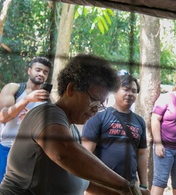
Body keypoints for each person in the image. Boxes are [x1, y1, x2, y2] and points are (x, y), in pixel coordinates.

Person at [0, 54, 149, 195]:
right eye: (94, 100)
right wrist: (124, 186)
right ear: (71, 89)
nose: (96, 109)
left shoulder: (72, 130)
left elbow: (84, 181)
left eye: (101, 104)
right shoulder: (48, 113)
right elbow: (65, 153)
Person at [82, 74, 148, 191]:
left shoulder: (139, 121)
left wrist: (143, 184)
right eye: (125, 89)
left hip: (129, 186)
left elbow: (141, 154)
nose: (130, 94)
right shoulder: (98, 116)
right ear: (114, 91)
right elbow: (86, 152)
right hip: (102, 183)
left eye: (134, 91)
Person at [0, 56, 52, 182]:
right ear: (29, 71)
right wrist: (27, 99)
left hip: (29, 154)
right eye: (38, 70)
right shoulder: (14, 88)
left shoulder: (48, 100)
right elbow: (3, 118)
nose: (41, 74)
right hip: (6, 148)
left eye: (45, 72)